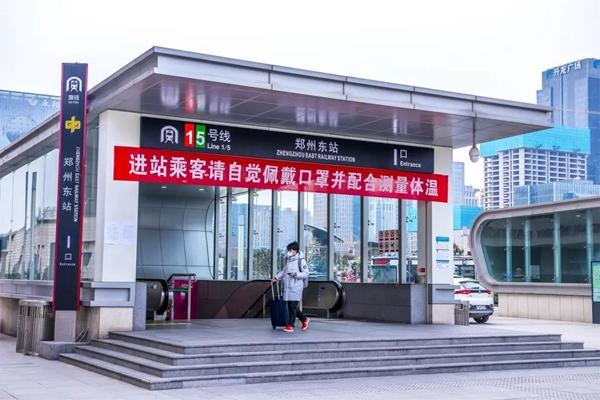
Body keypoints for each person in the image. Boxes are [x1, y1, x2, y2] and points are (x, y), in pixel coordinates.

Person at [272, 241, 310, 332]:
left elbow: (306, 273)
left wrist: (295, 274)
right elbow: (283, 272)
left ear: (295, 250)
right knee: (291, 307)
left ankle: (290, 326)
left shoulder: (301, 261)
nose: (289, 252)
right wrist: (276, 277)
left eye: (290, 250)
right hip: (288, 288)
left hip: (296, 287)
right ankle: (304, 319)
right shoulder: (289, 261)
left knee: (292, 307)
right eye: (288, 250)